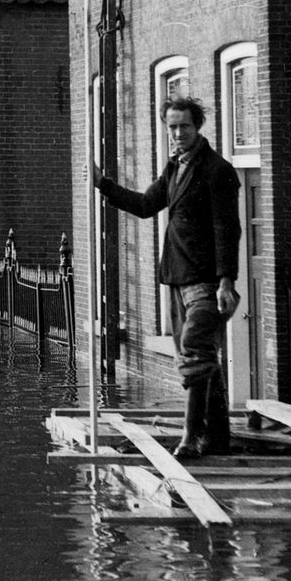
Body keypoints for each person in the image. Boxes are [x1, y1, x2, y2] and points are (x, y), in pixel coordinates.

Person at [94, 94, 242, 460]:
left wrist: (227, 281)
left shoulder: (217, 170)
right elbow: (146, 205)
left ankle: (192, 436)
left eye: (184, 126)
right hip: (178, 276)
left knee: (194, 349)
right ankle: (218, 438)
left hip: (208, 280)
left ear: (197, 126)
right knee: (202, 358)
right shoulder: (175, 167)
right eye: (172, 127)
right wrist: (103, 184)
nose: (178, 133)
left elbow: (228, 229)